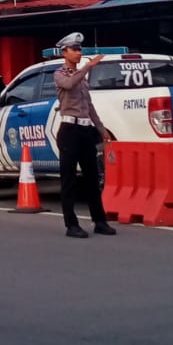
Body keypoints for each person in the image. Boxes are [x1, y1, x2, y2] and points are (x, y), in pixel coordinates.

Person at [52, 32, 117, 239]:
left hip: (85, 130)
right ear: (65, 52)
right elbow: (68, 85)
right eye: (75, 49)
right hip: (69, 131)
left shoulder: (82, 78)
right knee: (69, 180)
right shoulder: (60, 74)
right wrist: (88, 67)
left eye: (80, 49)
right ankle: (71, 224)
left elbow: (89, 106)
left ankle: (99, 221)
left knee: (92, 178)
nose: (79, 53)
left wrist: (101, 129)